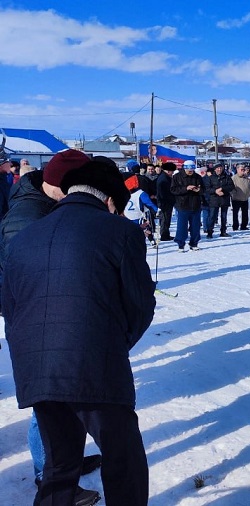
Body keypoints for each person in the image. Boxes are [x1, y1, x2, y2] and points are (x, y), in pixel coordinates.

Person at [3, 158, 154, 506]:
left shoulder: (26, 234)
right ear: (110, 200)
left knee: (58, 464)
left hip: (35, 367)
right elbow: (139, 305)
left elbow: (10, 305)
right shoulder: (121, 231)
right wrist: (116, 344)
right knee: (123, 460)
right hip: (96, 362)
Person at [0, 149, 104, 505]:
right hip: (35, 318)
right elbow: (29, 277)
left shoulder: (49, 204)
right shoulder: (27, 217)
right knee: (47, 403)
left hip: (56, 313)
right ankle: (50, 475)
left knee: (65, 397)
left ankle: (66, 461)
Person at [170, 159, 205, 251]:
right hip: (182, 205)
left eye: (192, 170)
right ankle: (180, 244)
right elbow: (173, 190)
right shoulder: (177, 177)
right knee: (182, 227)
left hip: (195, 205)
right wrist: (186, 188)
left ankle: (194, 243)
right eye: (188, 170)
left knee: (195, 227)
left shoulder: (197, 177)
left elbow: (203, 190)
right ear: (184, 168)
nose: (190, 172)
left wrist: (199, 190)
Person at [206, 162, 234, 237]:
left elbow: (231, 186)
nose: (219, 169)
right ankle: (209, 232)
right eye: (218, 168)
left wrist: (223, 189)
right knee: (212, 216)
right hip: (214, 199)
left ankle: (223, 231)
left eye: (220, 168)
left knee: (224, 217)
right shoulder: (211, 178)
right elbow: (207, 188)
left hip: (224, 199)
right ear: (215, 169)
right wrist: (215, 191)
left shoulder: (227, 177)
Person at [155, 162, 176, 240]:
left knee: (166, 219)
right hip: (165, 202)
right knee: (165, 219)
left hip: (166, 202)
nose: (172, 173)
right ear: (168, 171)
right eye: (172, 171)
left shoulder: (165, 177)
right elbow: (161, 193)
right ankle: (164, 235)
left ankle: (166, 234)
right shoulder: (164, 179)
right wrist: (161, 203)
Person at [231, 163, 250, 230]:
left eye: (244, 170)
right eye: (241, 170)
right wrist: (234, 194)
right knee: (235, 213)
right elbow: (231, 188)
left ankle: (244, 225)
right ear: (237, 170)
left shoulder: (247, 178)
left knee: (245, 213)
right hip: (236, 199)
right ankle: (235, 226)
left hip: (245, 199)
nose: (243, 171)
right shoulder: (233, 178)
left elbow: (249, 187)